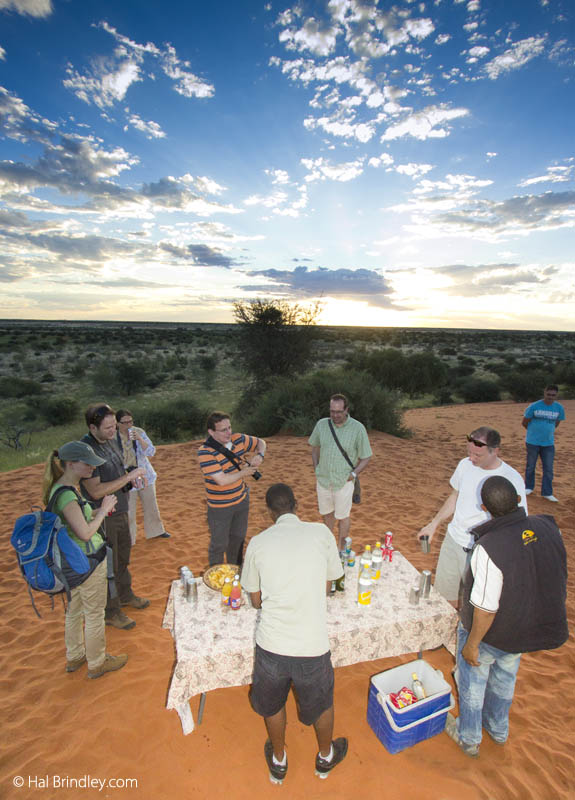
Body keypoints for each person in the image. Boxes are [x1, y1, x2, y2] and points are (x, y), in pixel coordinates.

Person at [445, 476, 568, 757]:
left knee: (473, 683)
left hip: (495, 632)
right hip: (527, 627)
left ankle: (469, 737)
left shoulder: (488, 546)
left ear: (484, 507)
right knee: (504, 678)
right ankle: (498, 729)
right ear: (516, 500)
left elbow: (485, 607)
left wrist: (473, 644)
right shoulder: (548, 526)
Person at [241, 483, 348, 784]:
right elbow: (330, 585)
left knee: (272, 703)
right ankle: (325, 756)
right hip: (312, 645)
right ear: (296, 504)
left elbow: (256, 600)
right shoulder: (321, 533)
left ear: (269, 511)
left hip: (272, 645)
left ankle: (278, 760)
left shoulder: (258, 543)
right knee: (322, 702)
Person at [42, 441, 128, 679]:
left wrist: (96, 512)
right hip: (85, 563)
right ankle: (97, 662)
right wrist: (103, 510)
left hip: (71, 563)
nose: (93, 468)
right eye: (87, 463)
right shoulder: (67, 495)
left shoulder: (61, 488)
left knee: (74, 610)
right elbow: (85, 533)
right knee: (93, 613)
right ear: (71, 464)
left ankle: (75, 656)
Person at [417, 427, 527, 606]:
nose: (471, 458)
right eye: (469, 453)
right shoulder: (465, 465)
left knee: (473, 606)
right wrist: (433, 524)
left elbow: (516, 522)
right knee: (444, 598)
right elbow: (455, 496)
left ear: (495, 451)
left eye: (478, 455)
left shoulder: (511, 479)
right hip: (453, 541)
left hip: (481, 550)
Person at [81, 403, 150, 630]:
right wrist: (128, 477)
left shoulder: (111, 441)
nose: (113, 431)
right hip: (102, 515)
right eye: (108, 427)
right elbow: (96, 491)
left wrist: (132, 479)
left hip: (120, 508)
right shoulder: (87, 451)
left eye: (114, 426)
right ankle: (111, 611)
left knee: (123, 557)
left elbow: (120, 469)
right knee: (109, 564)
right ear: (93, 427)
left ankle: (125, 595)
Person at [198, 411, 266, 566]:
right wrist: (244, 472)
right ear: (211, 432)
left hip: (241, 500)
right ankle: (215, 578)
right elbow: (221, 480)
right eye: (223, 430)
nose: (229, 433)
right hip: (219, 507)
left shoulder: (238, 439)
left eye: (229, 427)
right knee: (219, 545)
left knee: (238, 540)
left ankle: (237, 574)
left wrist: (260, 455)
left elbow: (261, 442)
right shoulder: (205, 452)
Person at [308, 394, 372, 549]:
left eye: (339, 412)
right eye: (332, 411)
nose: (335, 415)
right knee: (327, 514)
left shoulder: (358, 428)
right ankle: (329, 547)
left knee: (343, 517)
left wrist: (353, 474)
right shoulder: (322, 425)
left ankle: (341, 550)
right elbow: (315, 446)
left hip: (344, 482)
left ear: (346, 410)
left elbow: (366, 457)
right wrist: (316, 467)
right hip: (323, 480)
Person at [115, 408, 171, 544]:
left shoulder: (139, 432)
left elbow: (151, 451)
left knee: (151, 504)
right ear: (117, 423)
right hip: (126, 478)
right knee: (129, 511)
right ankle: (130, 539)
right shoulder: (113, 437)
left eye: (130, 421)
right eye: (124, 422)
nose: (128, 425)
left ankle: (156, 531)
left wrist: (139, 439)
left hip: (145, 475)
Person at [522, 384, 565, 502]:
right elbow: (525, 422)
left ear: (556, 395)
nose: (550, 397)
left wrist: (547, 431)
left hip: (548, 443)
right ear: (544, 393)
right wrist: (534, 432)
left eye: (553, 395)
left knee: (548, 469)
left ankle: (547, 492)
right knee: (531, 466)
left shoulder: (559, 408)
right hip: (532, 442)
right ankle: (529, 487)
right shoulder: (534, 406)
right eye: (548, 394)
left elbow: (557, 423)